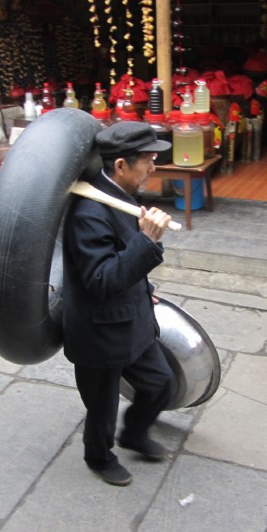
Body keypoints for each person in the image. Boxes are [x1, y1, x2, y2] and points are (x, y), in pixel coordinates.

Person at [63, 121, 176, 487]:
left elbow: (121, 258)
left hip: (133, 316)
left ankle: (135, 433)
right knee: (102, 407)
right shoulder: (88, 212)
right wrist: (147, 242)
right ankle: (99, 456)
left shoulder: (118, 196)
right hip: (99, 328)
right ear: (121, 166)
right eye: (147, 160)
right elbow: (100, 280)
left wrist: (145, 286)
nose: (153, 167)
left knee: (160, 382)